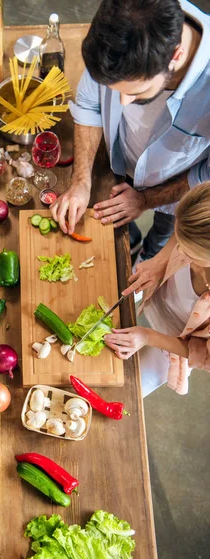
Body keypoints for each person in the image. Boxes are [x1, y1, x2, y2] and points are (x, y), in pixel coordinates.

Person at [51, 0, 210, 260]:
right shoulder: (123, 20)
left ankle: (148, 252)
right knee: (121, 222)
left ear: (176, 56)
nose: (122, 103)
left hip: (178, 191)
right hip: (119, 163)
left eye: (136, 91)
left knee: (164, 233)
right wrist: (81, 181)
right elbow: (90, 104)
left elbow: (207, 174)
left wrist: (145, 201)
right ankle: (133, 241)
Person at [104, 182, 210, 397]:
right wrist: (160, 261)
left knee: (126, 394)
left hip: (176, 342)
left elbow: (205, 355)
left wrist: (147, 336)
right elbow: (184, 229)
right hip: (159, 293)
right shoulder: (199, 219)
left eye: (187, 251)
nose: (179, 248)